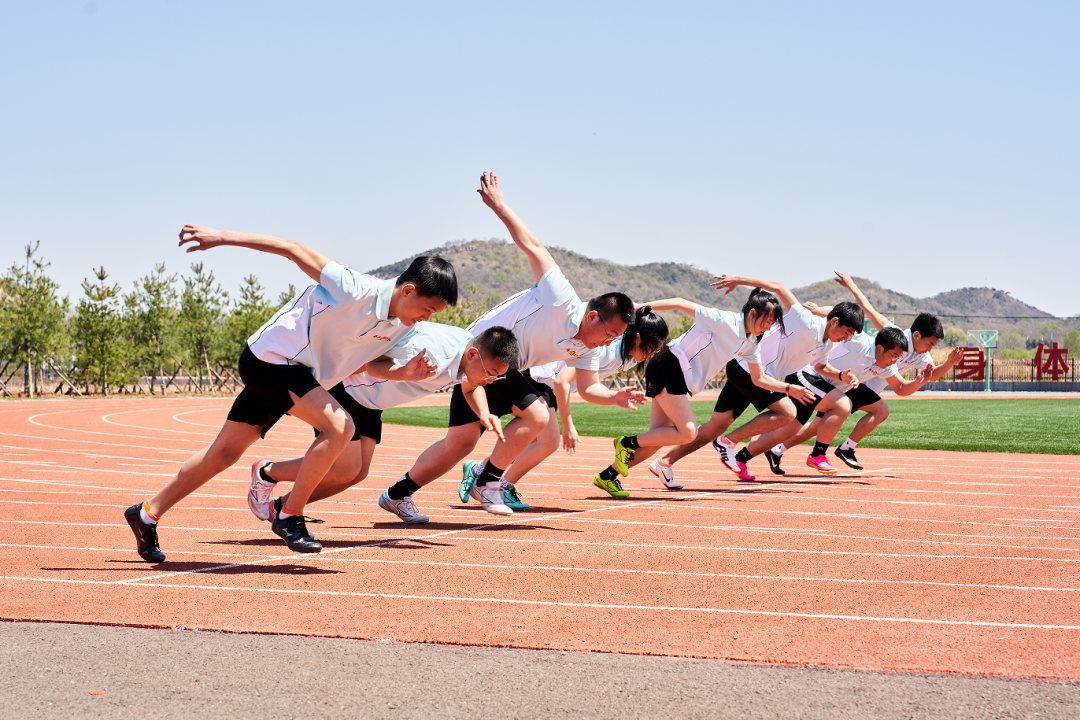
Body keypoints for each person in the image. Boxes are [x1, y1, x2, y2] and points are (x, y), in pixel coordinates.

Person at [124, 225, 456, 561]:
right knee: (339, 426)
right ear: (409, 290)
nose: (426, 319)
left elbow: (370, 366)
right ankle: (289, 514)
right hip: (272, 360)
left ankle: (146, 514)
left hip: (299, 376)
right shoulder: (355, 288)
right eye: (428, 309)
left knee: (223, 454)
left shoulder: (401, 328)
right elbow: (291, 247)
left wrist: (402, 373)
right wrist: (221, 238)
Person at [401, 171, 645, 517]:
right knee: (537, 415)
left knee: (459, 445)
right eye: (610, 333)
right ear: (593, 316)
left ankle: (398, 493)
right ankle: (489, 480)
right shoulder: (561, 298)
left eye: (616, 338)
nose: (610, 342)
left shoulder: (590, 347)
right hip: (481, 352)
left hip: (503, 369)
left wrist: (615, 397)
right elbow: (533, 246)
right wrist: (500, 205)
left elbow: (589, 389)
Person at [247, 324, 519, 525]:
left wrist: (484, 414)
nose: (490, 381)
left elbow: (471, 386)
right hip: (345, 389)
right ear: (473, 355)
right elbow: (368, 361)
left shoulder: (468, 353)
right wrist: (402, 373)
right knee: (346, 467)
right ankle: (267, 473)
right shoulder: (432, 353)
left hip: (370, 400)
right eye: (491, 374)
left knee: (356, 473)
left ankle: (279, 507)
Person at [600, 285, 796, 496]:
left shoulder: (750, 342)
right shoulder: (724, 321)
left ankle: (607, 476)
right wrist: (640, 306)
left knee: (656, 439)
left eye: (771, 325)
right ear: (753, 314)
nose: (767, 329)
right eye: (767, 323)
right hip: (670, 364)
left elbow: (758, 378)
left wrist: (788, 388)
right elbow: (680, 303)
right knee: (688, 432)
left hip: (676, 373)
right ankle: (626, 442)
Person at [766, 272, 964, 473]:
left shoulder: (920, 357)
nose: (929, 349)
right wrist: (825, 306)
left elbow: (904, 386)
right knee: (819, 422)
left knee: (864, 414)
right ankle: (785, 449)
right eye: (929, 343)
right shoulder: (888, 335)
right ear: (916, 335)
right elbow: (862, 312)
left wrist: (946, 365)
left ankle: (841, 448)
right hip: (830, 377)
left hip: (852, 382)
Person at [704, 275, 866, 479]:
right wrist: (738, 280)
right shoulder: (806, 321)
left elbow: (821, 366)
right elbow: (780, 287)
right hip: (748, 369)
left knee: (716, 425)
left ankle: (666, 462)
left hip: (753, 373)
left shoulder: (827, 343)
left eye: (852, 335)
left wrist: (841, 375)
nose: (847, 338)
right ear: (834, 321)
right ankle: (727, 441)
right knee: (787, 413)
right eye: (847, 331)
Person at [516, 306, 669, 494]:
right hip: (537, 378)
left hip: (547, 385)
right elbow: (562, 381)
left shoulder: (630, 358)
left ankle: (483, 471)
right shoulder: (606, 350)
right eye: (653, 349)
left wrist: (615, 397)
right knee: (549, 442)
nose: (653, 355)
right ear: (637, 338)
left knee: (530, 444)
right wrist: (567, 424)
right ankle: (497, 483)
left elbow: (587, 387)